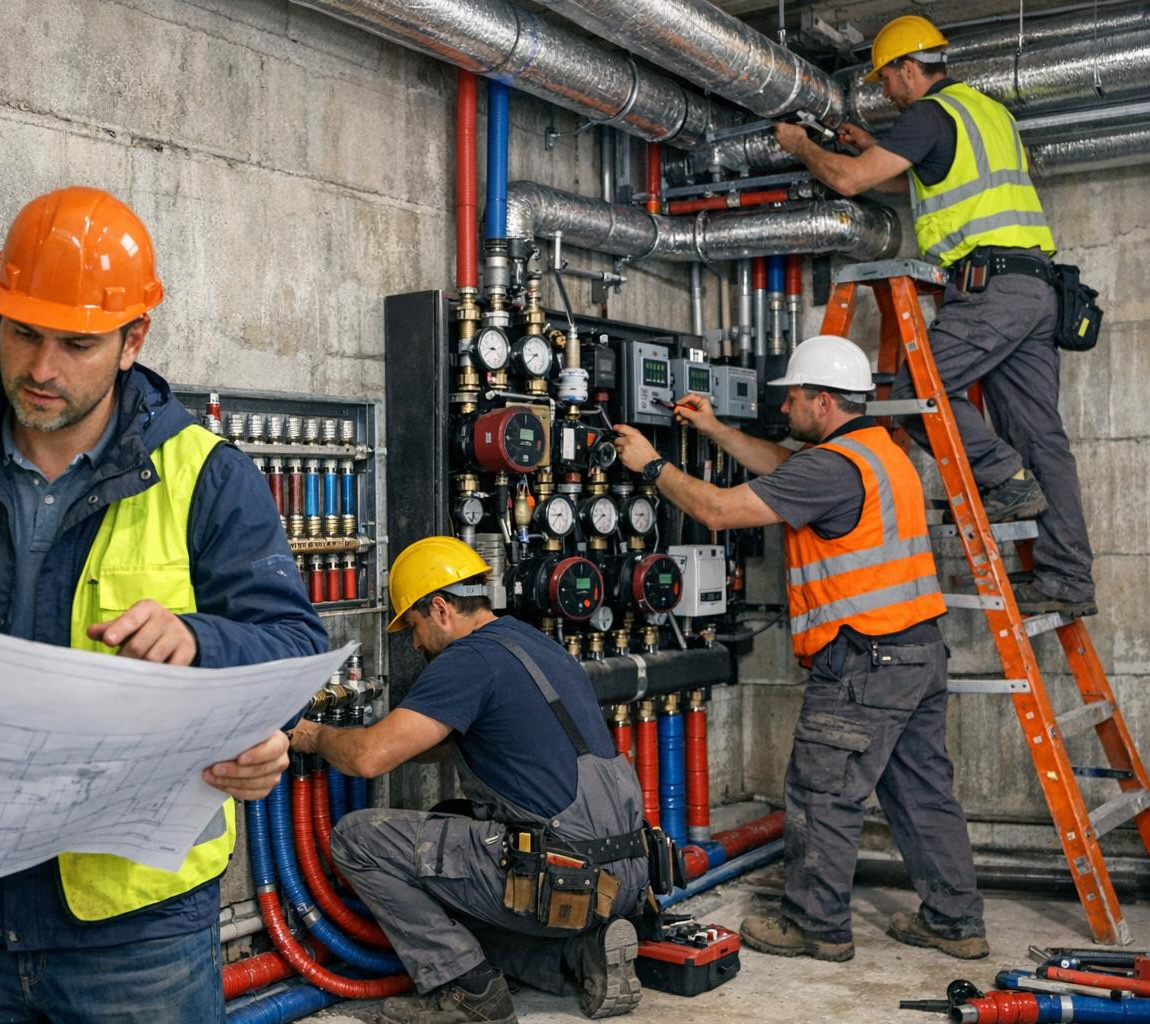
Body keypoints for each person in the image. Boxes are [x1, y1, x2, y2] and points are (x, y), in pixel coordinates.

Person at [0, 185, 326, 1024]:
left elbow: (292, 650)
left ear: (133, 341)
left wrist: (199, 644)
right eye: (22, 333)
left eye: (76, 343)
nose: (41, 369)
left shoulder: (207, 476)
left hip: (138, 932)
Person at [613, 335, 988, 963]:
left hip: (865, 661)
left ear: (822, 400)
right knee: (924, 793)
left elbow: (719, 510)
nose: (784, 407)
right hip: (918, 652)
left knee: (822, 792)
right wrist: (714, 429)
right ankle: (955, 921)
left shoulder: (829, 468)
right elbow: (780, 464)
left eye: (792, 398)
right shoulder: (878, 452)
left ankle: (815, 925)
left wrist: (652, 465)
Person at [774, 14, 1093, 618]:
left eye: (887, 80)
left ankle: (1003, 477)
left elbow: (844, 181)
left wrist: (803, 147)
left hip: (989, 289)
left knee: (914, 389)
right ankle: (1068, 578)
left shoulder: (928, 114)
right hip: (1034, 287)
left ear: (909, 68)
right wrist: (877, 151)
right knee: (1041, 437)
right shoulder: (988, 113)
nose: (884, 93)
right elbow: (928, 178)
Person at [289, 536, 647, 1024]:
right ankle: (579, 956)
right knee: (456, 826)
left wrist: (313, 735)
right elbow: (451, 741)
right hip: (623, 876)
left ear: (440, 609)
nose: (414, 644)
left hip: (564, 874)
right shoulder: (535, 643)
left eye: (413, 626)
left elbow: (369, 759)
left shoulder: (466, 661)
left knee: (359, 841)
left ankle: (471, 992)